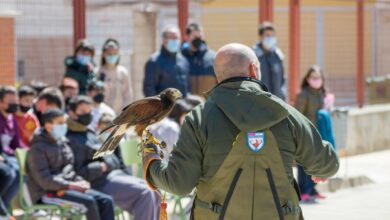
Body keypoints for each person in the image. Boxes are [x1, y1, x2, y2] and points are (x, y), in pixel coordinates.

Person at [142, 43, 339, 219]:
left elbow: (179, 183)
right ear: (253, 69)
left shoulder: (199, 118)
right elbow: (327, 164)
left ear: (218, 76)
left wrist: (151, 162)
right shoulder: (286, 114)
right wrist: (319, 169)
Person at [66, 96, 161, 220]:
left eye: (89, 112)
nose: (87, 115)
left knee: (155, 190)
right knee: (145, 193)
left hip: (115, 175)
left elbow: (112, 160)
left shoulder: (89, 133)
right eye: (83, 112)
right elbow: (78, 172)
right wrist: (100, 167)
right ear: (71, 113)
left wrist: (107, 164)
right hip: (99, 183)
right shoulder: (69, 139)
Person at [26, 109, 115, 220]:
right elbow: (44, 180)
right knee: (89, 203)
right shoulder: (37, 148)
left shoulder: (62, 143)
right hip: (47, 193)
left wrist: (79, 182)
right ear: (48, 126)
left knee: (105, 201)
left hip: (67, 187)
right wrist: (70, 186)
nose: (64, 126)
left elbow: (69, 170)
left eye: (64, 122)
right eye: (60, 123)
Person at [295, 65, 336, 202]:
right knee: (304, 163)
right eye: (313, 77)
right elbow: (297, 115)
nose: (316, 80)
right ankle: (303, 190)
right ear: (307, 79)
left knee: (317, 162)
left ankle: (312, 189)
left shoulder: (322, 94)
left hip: (320, 134)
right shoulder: (303, 95)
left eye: (319, 78)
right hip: (307, 134)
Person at [143, 26, 190, 97]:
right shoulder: (154, 61)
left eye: (177, 38)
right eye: (172, 38)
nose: (175, 41)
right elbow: (149, 88)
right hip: (164, 106)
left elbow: (187, 86)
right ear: (164, 40)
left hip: (183, 106)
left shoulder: (183, 60)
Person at [0, 86, 23, 217]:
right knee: (10, 173)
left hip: (9, 156)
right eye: (10, 101)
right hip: (3, 157)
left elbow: (16, 144)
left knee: (23, 172)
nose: (14, 104)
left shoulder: (12, 119)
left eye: (15, 100)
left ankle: (4, 205)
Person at [98, 39, 133, 113]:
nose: (112, 56)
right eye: (109, 53)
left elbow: (127, 95)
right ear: (104, 54)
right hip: (103, 115)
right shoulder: (98, 72)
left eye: (114, 53)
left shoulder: (123, 72)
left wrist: (125, 113)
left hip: (120, 115)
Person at [253, 22, 286, 100]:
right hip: (259, 100)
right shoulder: (253, 55)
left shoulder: (278, 56)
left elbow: (282, 80)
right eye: (267, 35)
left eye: (272, 35)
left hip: (277, 100)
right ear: (260, 37)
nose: (270, 38)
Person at [181, 23, 217, 96]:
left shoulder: (213, 57)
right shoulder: (180, 58)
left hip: (208, 105)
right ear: (187, 37)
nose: (198, 39)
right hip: (187, 105)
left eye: (200, 36)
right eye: (194, 36)